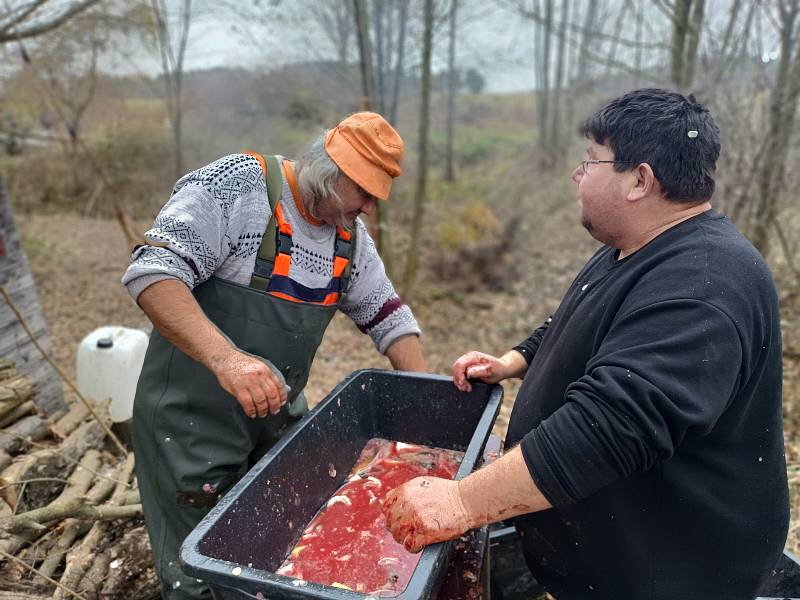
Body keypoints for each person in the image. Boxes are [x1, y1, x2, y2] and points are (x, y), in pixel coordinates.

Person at [382, 89, 789, 599]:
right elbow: (574, 318)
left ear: (640, 180)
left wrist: (462, 501)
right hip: (600, 555)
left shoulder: (704, 284)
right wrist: (514, 360)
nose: (578, 175)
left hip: (668, 574)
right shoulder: (635, 246)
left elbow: (613, 426)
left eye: (591, 161)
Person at [122, 112, 425, 599]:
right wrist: (227, 360)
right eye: (365, 193)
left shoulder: (347, 238)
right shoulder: (239, 188)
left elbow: (388, 317)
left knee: (280, 551)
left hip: (274, 419)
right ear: (330, 173)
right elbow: (152, 274)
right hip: (190, 425)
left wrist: (425, 407)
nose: (369, 207)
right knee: (199, 569)